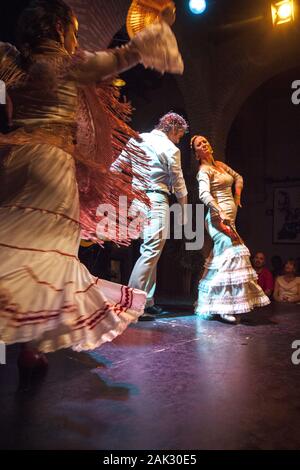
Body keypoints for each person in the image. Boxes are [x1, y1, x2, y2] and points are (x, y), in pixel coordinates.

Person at [0, 0, 184, 382]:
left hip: (15, 161)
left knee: (13, 242)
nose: (75, 36)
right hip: (53, 166)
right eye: (73, 29)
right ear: (59, 29)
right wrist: (160, 27)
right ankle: (31, 346)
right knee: (49, 253)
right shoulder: (71, 66)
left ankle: (27, 343)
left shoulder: (12, 63)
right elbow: (125, 56)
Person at [111, 112, 188, 320]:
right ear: (172, 128)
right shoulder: (171, 149)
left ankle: (147, 301)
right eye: (179, 135)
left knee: (149, 251)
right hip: (156, 200)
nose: (178, 139)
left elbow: (116, 168)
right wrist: (184, 211)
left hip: (137, 202)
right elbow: (179, 184)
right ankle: (130, 304)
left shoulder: (137, 139)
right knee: (151, 251)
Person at [191, 135, 270, 324]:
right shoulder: (204, 170)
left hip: (230, 217)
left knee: (222, 258)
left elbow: (238, 177)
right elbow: (204, 195)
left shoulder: (219, 165)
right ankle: (224, 308)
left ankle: (214, 303)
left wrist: (237, 198)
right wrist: (219, 211)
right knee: (231, 252)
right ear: (196, 154)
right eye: (199, 144)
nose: (204, 144)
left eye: (205, 141)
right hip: (218, 219)